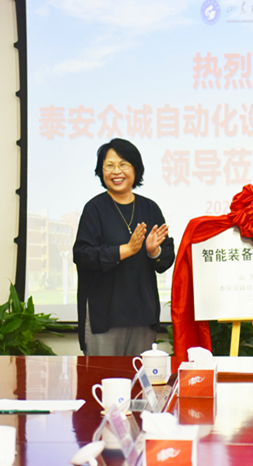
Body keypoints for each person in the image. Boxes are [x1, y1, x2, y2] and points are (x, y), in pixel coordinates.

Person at [73, 138, 175, 356]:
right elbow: (82, 255)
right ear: (101, 171)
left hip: (143, 315)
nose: (116, 171)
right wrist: (125, 250)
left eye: (123, 164)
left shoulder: (150, 208)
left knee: (141, 376)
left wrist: (153, 252)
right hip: (104, 316)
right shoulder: (94, 209)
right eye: (109, 166)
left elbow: (165, 258)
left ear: (135, 169)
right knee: (103, 376)